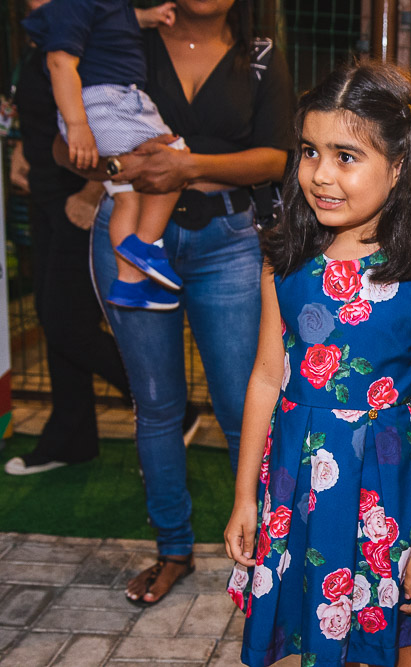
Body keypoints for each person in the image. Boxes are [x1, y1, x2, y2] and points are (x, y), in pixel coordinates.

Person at [223, 61, 411, 667]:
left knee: (390, 643)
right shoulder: (285, 262)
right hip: (291, 482)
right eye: (310, 151)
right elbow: (266, 377)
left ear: (400, 165)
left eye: (346, 156)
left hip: (380, 488)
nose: (321, 175)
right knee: (309, 631)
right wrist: (244, 497)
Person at [57, 0, 295, 605]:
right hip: (130, 238)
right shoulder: (122, 39)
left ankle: (265, 554)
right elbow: (64, 141)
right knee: (157, 405)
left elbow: (277, 158)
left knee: (243, 406)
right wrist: (120, 165)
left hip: (229, 244)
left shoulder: (260, 55)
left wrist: (185, 166)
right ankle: (172, 550)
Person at [3, 0, 135, 476]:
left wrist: (93, 190)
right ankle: (72, 437)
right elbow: (45, 102)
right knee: (54, 316)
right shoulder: (39, 25)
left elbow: (118, 116)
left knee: (65, 323)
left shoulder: (87, 18)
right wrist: (22, 144)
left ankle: (160, 402)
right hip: (44, 192)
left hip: (79, 196)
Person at [23, 0, 189, 310]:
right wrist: (77, 125)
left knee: (126, 195)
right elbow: (60, 62)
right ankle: (145, 245)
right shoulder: (74, 4)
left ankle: (130, 283)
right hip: (107, 101)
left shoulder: (98, 6)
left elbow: (108, 20)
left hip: (99, 105)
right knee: (173, 156)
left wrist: (145, 17)